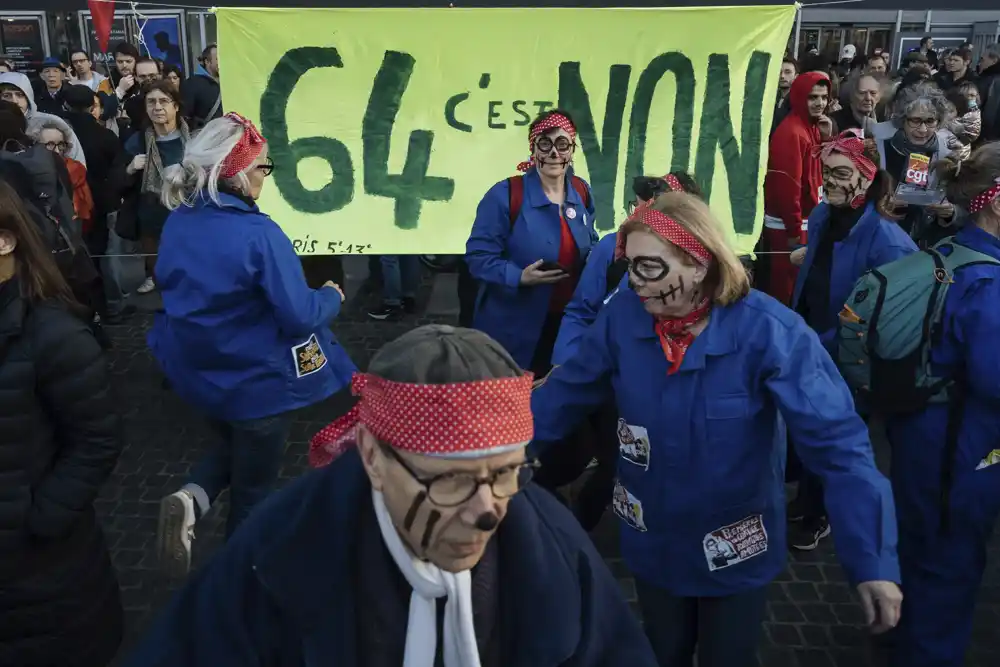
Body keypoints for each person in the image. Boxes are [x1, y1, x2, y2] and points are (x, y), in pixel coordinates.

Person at [124, 324, 659, 666]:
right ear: (374, 458)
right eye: (448, 479)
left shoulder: (554, 545)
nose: (488, 511)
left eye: (507, 473)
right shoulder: (275, 557)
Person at [529, 190, 902, 667]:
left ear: (698, 263)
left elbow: (841, 449)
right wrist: (495, 455)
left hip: (736, 552)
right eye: (629, 265)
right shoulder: (622, 320)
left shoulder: (772, 333)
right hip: (653, 544)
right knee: (661, 652)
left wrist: (873, 561)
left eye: (648, 266)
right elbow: (563, 395)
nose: (634, 283)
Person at [151, 112, 355, 576]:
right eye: (264, 167)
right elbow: (299, 314)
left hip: (201, 375)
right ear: (238, 173)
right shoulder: (259, 235)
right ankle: (238, 582)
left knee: (234, 445)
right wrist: (331, 295)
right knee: (254, 490)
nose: (267, 177)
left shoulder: (179, 221)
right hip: (258, 382)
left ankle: (192, 498)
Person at [883, 142, 1000, 667]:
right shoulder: (990, 281)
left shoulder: (946, 255)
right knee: (949, 572)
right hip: (961, 453)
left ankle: (894, 641)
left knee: (915, 553)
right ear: (996, 202)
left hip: (917, 437)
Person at [0, 178, 124, 667]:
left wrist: (42, 516)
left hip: (41, 582)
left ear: (5, 240)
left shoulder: (52, 335)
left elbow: (97, 439)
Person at [550, 171, 703, 531]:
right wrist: (564, 363)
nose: (636, 207)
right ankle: (574, 526)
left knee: (628, 460)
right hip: (603, 379)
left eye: (649, 202)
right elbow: (581, 309)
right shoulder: (609, 248)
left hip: (659, 386)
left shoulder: (703, 269)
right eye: (638, 201)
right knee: (606, 455)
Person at [786, 131, 917, 550]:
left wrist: (821, 343)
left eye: (842, 174)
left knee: (833, 431)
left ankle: (819, 510)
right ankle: (807, 495)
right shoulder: (825, 215)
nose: (830, 182)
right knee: (805, 422)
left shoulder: (889, 241)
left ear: (865, 178)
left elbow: (878, 320)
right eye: (826, 173)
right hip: (811, 335)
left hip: (846, 354)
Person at [466, 108, 596, 375]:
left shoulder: (581, 191)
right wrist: (518, 277)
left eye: (562, 144)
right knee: (510, 400)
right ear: (533, 149)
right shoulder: (505, 195)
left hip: (567, 323)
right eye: (545, 144)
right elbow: (478, 258)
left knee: (555, 393)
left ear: (572, 150)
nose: (554, 154)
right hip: (514, 327)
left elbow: (590, 238)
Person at [110, 79, 188, 295]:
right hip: (151, 221)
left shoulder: (194, 139)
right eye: (151, 102)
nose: (158, 107)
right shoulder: (136, 142)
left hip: (189, 217)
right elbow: (115, 181)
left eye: (164, 101)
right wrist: (130, 169)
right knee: (161, 273)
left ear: (176, 106)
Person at [763, 70, 832, 304]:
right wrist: (793, 230)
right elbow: (787, 186)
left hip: (801, 220)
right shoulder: (791, 132)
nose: (820, 103)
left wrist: (825, 138)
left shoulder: (810, 126)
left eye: (824, 97)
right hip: (789, 225)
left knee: (794, 284)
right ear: (800, 96)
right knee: (785, 288)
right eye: (813, 97)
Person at [872, 81, 958, 246]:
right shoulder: (880, 149)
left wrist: (950, 213)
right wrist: (880, 204)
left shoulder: (949, 154)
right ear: (902, 120)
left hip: (925, 244)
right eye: (916, 120)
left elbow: (965, 209)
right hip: (883, 238)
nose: (923, 129)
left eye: (930, 121)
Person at [0, 71, 87, 165]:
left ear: (28, 96)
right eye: (7, 96)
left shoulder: (51, 121)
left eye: (20, 95)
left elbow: (76, 161)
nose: (14, 101)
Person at [182, 44, 222, 131]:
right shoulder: (192, 84)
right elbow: (185, 117)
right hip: (203, 139)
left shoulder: (226, 82)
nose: (222, 62)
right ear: (207, 62)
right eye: (218, 58)